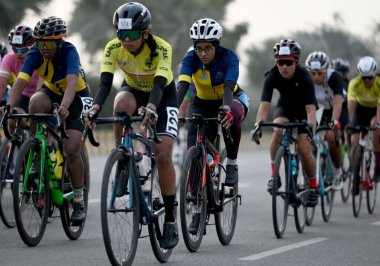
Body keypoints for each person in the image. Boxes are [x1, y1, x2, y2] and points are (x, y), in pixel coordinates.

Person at [85, 2, 179, 249]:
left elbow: (159, 84)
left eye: (132, 35)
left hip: (162, 95)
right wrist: (94, 108)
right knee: (121, 102)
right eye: (121, 34)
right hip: (133, 90)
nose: (125, 40)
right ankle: (123, 157)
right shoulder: (114, 48)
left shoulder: (161, 48)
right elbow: (105, 84)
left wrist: (151, 108)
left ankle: (170, 219)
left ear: (145, 33)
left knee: (164, 155)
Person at [2, 16, 90, 225]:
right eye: (41, 42)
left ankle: (78, 200)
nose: (44, 47)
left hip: (76, 95)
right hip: (51, 91)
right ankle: (36, 148)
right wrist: (7, 107)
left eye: (49, 43)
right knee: (34, 103)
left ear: (60, 41)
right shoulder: (35, 53)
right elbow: (20, 83)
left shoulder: (70, 51)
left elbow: (70, 85)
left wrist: (65, 107)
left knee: (72, 148)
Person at [177, 18, 249, 232]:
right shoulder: (190, 59)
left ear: (216, 46)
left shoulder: (229, 58)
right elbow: (182, 87)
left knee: (231, 117)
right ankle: (197, 208)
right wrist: (173, 110)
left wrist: (226, 109)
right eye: (199, 48)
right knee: (193, 150)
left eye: (208, 48)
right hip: (202, 103)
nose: (203, 53)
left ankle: (232, 163)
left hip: (231, 100)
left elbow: (228, 89)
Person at [251, 39, 319, 207]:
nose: (284, 67)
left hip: (304, 112)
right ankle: (275, 177)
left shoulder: (305, 76)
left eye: (288, 62)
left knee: (304, 149)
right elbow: (264, 107)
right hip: (285, 109)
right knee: (277, 129)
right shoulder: (272, 76)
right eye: (281, 62)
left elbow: (311, 111)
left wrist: (312, 131)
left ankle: (313, 186)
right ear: (276, 62)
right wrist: (257, 126)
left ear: (296, 62)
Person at [305, 51, 346, 190]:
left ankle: (338, 171)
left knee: (330, 135)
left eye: (320, 73)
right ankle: (310, 174)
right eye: (313, 73)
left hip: (336, 108)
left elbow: (338, 102)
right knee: (308, 137)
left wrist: (334, 122)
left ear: (326, 70)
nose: (316, 77)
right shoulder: (305, 78)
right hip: (318, 109)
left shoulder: (333, 77)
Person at [0, 25, 42, 127]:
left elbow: (40, 89)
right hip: (24, 93)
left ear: (33, 47)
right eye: (15, 49)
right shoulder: (8, 58)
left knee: (39, 129)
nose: (19, 54)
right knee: (12, 119)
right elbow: (1, 85)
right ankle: (17, 141)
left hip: (42, 92)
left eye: (23, 50)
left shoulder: (40, 57)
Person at [348, 56, 380, 184]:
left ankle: (378, 166)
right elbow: (351, 104)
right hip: (360, 111)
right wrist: (348, 122)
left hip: (375, 111)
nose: (366, 80)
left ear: (374, 75)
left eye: (369, 77)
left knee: (375, 125)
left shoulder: (378, 83)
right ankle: (355, 173)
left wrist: (378, 123)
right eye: (363, 77)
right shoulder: (354, 83)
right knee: (354, 140)